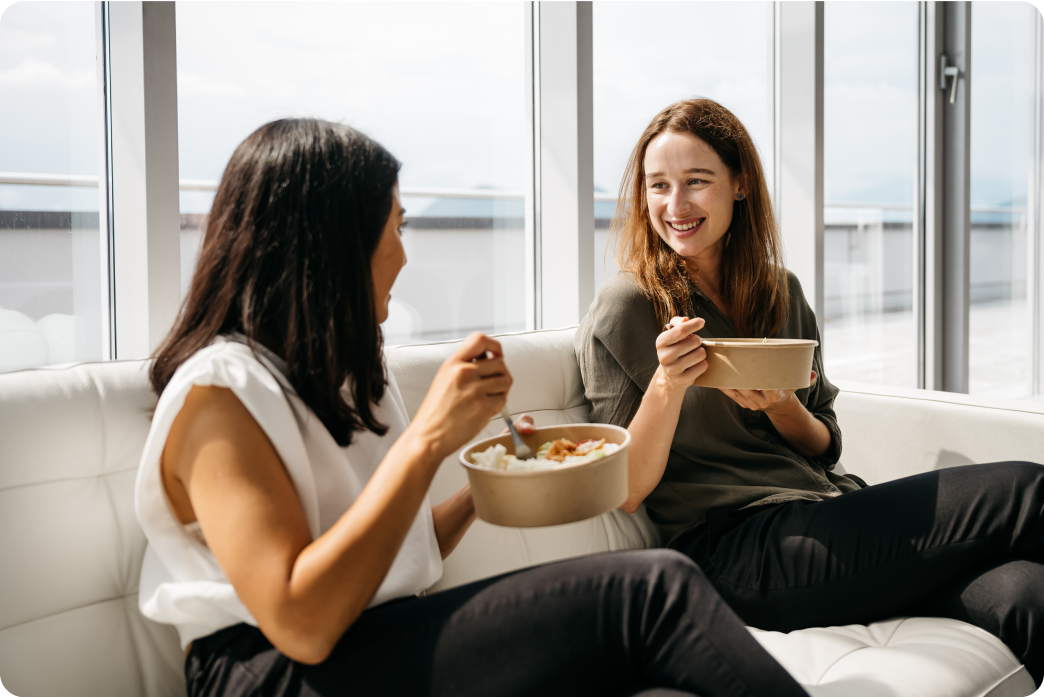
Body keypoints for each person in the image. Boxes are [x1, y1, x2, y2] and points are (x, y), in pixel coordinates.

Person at [135, 118, 807, 697]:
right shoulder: (219, 395)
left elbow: (371, 552)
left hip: (371, 638)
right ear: (333, 245)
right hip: (263, 671)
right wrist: (428, 438)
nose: (404, 251)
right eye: (396, 225)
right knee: (657, 588)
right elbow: (301, 620)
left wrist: (493, 492)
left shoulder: (339, 374)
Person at [575, 97, 1044, 686]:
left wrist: (782, 406)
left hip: (829, 513)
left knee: (1028, 594)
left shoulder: (778, 291)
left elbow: (825, 445)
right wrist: (668, 384)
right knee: (1026, 489)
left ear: (740, 185)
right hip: (739, 550)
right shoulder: (629, 305)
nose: (676, 205)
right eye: (658, 186)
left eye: (697, 182)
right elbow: (624, 489)